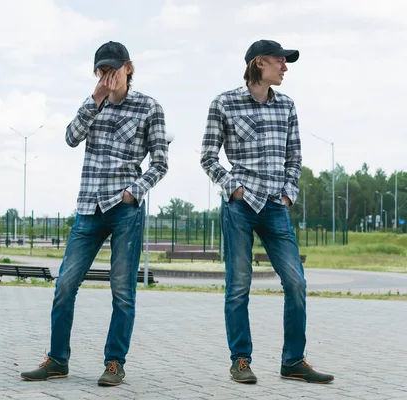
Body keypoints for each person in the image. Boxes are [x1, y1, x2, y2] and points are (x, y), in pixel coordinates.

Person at [21, 40, 169, 387]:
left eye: (112, 71)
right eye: (101, 71)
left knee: (122, 290)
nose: (107, 77)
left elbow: (160, 163)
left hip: (125, 209)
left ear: (128, 68)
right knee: (65, 285)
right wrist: (94, 101)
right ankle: (57, 360)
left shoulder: (150, 107)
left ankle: (115, 363)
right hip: (89, 207)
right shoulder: (93, 105)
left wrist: (135, 191)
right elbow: (71, 138)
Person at [200, 39, 334, 384]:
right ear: (259, 63)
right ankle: (240, 361)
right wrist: (234, 188)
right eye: (280, 61)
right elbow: (208, 157)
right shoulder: (224, 103)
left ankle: (293, 361)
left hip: (275, 206)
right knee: (238, 285)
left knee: (296, 282)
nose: (285, 67)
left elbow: (295, 157)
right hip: (240, 206)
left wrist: (288, 194)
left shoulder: (287, 106)